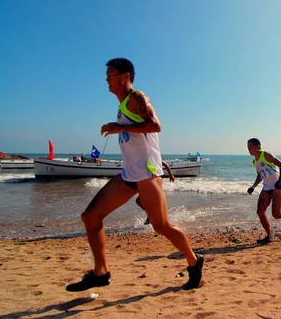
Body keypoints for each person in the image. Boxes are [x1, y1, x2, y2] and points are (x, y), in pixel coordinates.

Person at [66, 58, 203, 292]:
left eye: (110, 74)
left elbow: (155, 125)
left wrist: (120, 128)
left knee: (161, 227)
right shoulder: (122, 106)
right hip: (129, 174)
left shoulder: (137, 98)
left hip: (147, 175)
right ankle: (100, 273)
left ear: (124, 76)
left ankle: (194, 261)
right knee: (90, 217)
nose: (106, 79)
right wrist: (117, 124)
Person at [246, 138, 281, 245]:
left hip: (277, 187)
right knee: (260, 211)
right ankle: (269, 236)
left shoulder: (265, 155)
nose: (249, 149)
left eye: (251, 146)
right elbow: (260, 174)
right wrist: (253, 186)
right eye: (248, 147)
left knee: (276, 214)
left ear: (258, 147)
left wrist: (280, 180)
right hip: (266, 187)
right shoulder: (255, 161)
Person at [137, 161, 174, 225]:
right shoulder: (144, 159)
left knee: (140, 200)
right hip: (147, 181)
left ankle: (154, 217)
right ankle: (151, 216)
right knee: (139, 201)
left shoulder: (152, 158)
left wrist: (170, 174)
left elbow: (165, 164)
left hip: (153, 181)